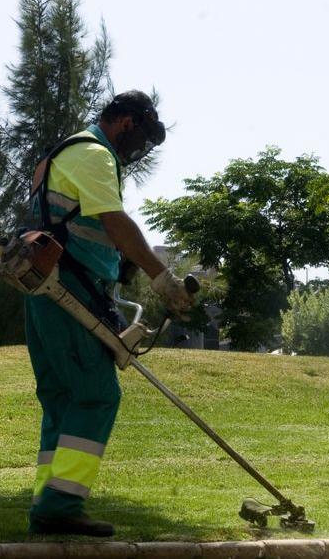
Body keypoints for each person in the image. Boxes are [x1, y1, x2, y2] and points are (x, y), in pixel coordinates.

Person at [24, 90, 195, 537]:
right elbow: (116, 224)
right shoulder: (95, 154)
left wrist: (118, 270)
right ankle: (60, 506)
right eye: (141, 136)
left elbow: (79, 225)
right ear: (124, 121)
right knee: (97, 395)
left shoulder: (60, 154)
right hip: (70, 290)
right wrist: (163, 279)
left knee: (62, 399)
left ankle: (47, 502)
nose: (139, 149)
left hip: (44, 288)